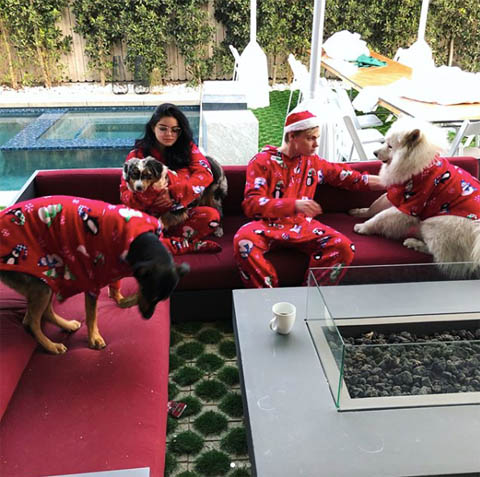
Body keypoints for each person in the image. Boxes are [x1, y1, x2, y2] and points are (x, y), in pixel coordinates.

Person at [233, 107, 383, 288]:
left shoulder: (313, 162)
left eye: (317, 138)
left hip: (302, 226)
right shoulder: (261, 161)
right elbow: (251, 204)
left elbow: (350, 178)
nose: (316, 144)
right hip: (266, 225)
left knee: (343, 247)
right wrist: (294, 205)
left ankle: (310, 296)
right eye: (311, 138)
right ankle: (269, 297)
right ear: (292, 137)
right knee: (243, 241)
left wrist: (389, 181)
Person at [119, 103, 222, 254]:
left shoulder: (189, 149)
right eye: (163, 128)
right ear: (153, 127)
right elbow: (125, 194)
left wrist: (173, 194)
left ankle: (155, 242)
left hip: (177, 216)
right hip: (145, 215)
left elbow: (205, 174)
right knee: (123, 223)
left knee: (211, 217)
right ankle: (181, 245)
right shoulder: (136, 155)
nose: (169, 134)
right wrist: (148, 196)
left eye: (175, 130)